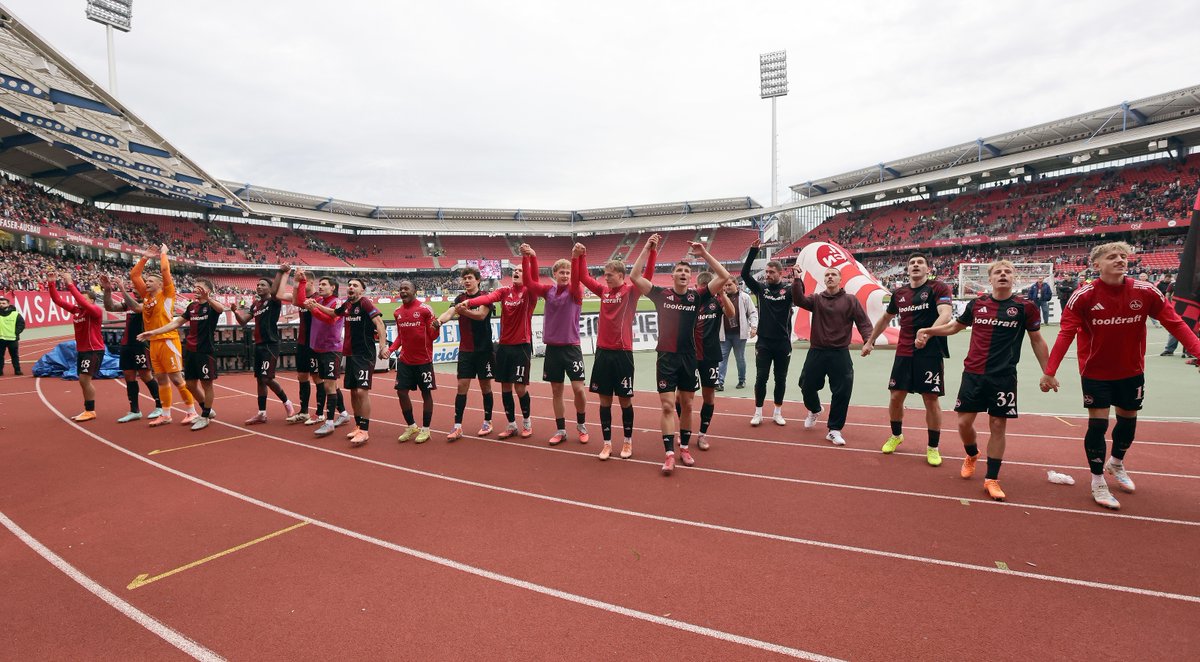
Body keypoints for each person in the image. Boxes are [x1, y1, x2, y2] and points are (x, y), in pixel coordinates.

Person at [1040, 243, 1200, 510]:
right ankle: (1097, 480)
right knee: (1098, 425)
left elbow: (1176, 323)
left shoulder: (1146, 291)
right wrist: (1049, 372)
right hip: (1095, 372)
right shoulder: (1084, 296)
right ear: (1096, 264)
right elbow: (1066, 333)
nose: (1120, 260)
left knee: (1128, 422)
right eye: (1112, 257)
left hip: (1131, 370)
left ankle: (1115, 463)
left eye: (1123, 256)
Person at [917, 260, 1051, 501]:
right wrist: (929, 330)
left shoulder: (1026, 307)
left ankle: (991, 478)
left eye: (1007, 272)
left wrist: (1048, 371)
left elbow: (1037, 340)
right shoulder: (977, 304)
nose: (1002, 275)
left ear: (1014, 278)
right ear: (990, 279)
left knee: (998, 425)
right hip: (973, 374)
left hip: (1004, 376)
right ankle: (971, 453)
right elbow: (954, 327)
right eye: (997, 272)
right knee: (963, 424)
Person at [629, 233, 729, 475]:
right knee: (666, 406)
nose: (683, 274)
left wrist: (704, 253)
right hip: (666, 357)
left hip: (688, 357)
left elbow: (724, 276)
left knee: (687, 404)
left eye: (687, 271)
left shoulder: (697, 297)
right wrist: (647, 247)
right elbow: (634, 277)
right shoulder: (660, 294)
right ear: (672, 275)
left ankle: (684, 447)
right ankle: (669, 454)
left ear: (691, 277)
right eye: (679, 271)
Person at [862, 253, 954, 465]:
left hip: (930, 353)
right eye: (912, 263)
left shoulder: (938, 288)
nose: (915, 265)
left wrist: (928, 333)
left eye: (920, 262)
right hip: (904, 352)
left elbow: (946, 314)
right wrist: (870, 341)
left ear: (928, 269)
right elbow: (886, 319)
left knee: (930, 399)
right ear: (907, 269)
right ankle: (896, 435)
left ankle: (932, 447)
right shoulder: (899, 294)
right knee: (896, 397)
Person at [575, 241, 652, 461]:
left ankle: (627, 441)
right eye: (605, 274)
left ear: (620, 275)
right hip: (602, 353)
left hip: (623, 353)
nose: (605, 278)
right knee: (604, 401)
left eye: (609, 275)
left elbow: (647, 274)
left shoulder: (631, 291)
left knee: (625, 401)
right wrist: (582, 255)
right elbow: (583, 278)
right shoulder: (603, 291)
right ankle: (607, 443)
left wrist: (650, 250)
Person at [793, 267, 873, 446]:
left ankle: (834, 430)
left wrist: (868, 341)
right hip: (817, 351)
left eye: (833, 275)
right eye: (827, 275)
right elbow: (798, 299)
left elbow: (864, 323)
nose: (830, 277)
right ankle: (814, 409)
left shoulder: (850, 300)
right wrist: (798, 279)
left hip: (840, 353)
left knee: (842, 392)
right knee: (806, 386)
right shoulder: (816, 299)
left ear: (840, 279)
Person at [463, 252, 539, 440]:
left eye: (521, 271)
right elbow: (487, 299)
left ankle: (527, 423)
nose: (516, 272)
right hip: (504, 346)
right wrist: (470, 302)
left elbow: (534, 278)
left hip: (522, 346)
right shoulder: (504, 292)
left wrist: (528, 258)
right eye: (514, 270)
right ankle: (511, 424)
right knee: (505, 388)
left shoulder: (530, 293)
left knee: (520, 388)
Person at [305, 277, 387, 447]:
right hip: (349, 354)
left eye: (355, 285)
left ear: (362, 290)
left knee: (362, 391)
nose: (351, 287)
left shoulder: (365, 303)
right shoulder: (347, 305)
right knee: (353, 392)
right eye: (349, 285)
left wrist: (383, 346)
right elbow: (333, 313)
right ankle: (358, 426)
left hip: (364, 354)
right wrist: (316, 306)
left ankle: (365, 430)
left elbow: (379, 323)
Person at [138, 278, 226, 430]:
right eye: (195, 287)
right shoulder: (192, 307)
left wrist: (208, 298)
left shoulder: (211, 307)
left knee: (207, 384)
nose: (196, 289)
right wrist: (153, 332)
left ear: (207, 291)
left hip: (205, 351)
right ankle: (207, 409)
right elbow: (175, 323)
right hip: (191, 351)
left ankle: (205, 416)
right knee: (191, 384)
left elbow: (221, 309)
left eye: (199, 287)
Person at [524, 243, 589, 446]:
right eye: (562, 272)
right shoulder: (548, 291)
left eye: (568, 272)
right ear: (554, 273)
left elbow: (578, 280)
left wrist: (575, 258)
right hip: (553, 349)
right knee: (556, 391)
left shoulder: (575, 291)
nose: (566, 275)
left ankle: (581, 424)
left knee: (579, 389)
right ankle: (561, 429)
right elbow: (529, 282)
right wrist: (531, 257)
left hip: (571, 348)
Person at [131, 244, 199, 427]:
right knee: (161, 379)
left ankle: (192, 411)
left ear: (160, 284)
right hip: (153, 342)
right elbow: (134, 276)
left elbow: (164, 269)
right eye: (147, 281)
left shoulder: (167, 293)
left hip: (168, 340)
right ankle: (166, 414)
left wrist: (163, 254)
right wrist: (144, 257)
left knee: (177, 378)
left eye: (151, 281)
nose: (147, 283)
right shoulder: (146, 296)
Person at [437, 266, 496, 441]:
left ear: (478, 280)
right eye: (465, 279)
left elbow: (481, 315)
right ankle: (457, 426)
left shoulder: (485, 297)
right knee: (462, 386)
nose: (467, 281)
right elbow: (450, 312)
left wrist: (464, 312)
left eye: (470, 278)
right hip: (466, 350)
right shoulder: (459, 298)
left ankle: (487, 421)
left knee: (486, 386)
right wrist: (438, 321)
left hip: (484, 349)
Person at [232, 267, 296, 425]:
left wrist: (280, 273)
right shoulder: (255, 305)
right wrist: (235, 312)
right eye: (258, 285)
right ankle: (262, 413)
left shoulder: (274, 301)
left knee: (267, 378)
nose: (259, 287)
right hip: (259, 345)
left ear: (269, 288)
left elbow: (275, 291)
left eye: (263, 285)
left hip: (271, 344)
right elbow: (243, 322)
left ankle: (287, 403)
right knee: (260, 380)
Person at [741, 239, 793, 426]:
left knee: (780, 379)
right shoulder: (761, 289)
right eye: (767, 272)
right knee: (761, 378)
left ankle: (777, 412)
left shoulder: (789, 290)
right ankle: (758, 412)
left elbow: (803, 296)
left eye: (772, 272)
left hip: (783, 343)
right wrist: (754, 250)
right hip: (763, 342)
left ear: (780, 273)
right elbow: (744, 274)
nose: (768, 275)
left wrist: (799, 279)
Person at [381, 280, 440, 444]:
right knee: (401, 392)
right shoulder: (397, 312)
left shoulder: (425, 309)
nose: (403, 291)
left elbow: (433, 336)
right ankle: (412, 426)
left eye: (406, 288)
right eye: (401, 289)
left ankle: (426, 429)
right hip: (405, 360)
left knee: (426, 393)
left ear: (414, 290)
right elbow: (400, 336)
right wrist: (390, 350)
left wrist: (436, 327)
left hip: (424, 361)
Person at [293, 271, 351, 435]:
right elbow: (301, 301)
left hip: (331, 348)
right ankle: (344, 414)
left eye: (324, 284)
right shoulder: (319, 300)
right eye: (320, 284)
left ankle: (330, 422)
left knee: (329, 385)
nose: (321, 286)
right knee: (330, 384)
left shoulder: (337, 302)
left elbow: (331, 318)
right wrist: (302, 282)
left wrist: (314, 308)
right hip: (317, 348)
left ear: (333, 287)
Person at [100, 275, 164, 422]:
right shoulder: (129, 302)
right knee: (129, 376)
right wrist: (108, 290)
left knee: (145, 375)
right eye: (132, 287)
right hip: (126, 344)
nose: (133, 289)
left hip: (141, 344)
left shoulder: (150, 302)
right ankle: (135, 410)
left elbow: (136, 307)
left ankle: (160, 406)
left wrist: (122, 289)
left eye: (136, 287)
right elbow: (110, 307)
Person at [46, 271, 104, 421]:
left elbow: (82, 301)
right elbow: (57, 300)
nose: (80, 301)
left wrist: (70, 284)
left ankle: (90, 410)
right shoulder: (77, 311)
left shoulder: (95, 311)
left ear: (92, 300)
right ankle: (89, 409)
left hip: (94, 349)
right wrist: (51, 283)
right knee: (83, 380)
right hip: (82, 350)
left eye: (84, 299)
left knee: (84, 379)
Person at [694, 271, 735, 451]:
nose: (703, 290)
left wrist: (722, 293)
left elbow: (731, 314)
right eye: (700, 288)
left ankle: (703, 434)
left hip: (711, 355)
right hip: (690, 356)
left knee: (709, 396)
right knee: (682, 397)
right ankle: (683, 429)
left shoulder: (716, 301)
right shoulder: (691, 301)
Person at [285, 271, 325, 424]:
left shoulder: (318, 298)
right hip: (302, 342)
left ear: (311, 283)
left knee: (317, 377)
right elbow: (292, 299)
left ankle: (320, 412)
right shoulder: (301, 299)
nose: (302, 283)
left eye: (304, 281)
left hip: (314, 343)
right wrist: (295, 282)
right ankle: (303, 412)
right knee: (302, 376)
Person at [717, 279, 757, 391]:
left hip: (739, 335)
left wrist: (754, 327)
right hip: (724, 334)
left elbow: (752, 312)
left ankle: (742, 380)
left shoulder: (744, 297)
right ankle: (720, 382)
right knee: (722, 359)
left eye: (730, 284)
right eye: (725, 285)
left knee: (740, 358)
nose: (727, 287)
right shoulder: (720, 298)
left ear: (736, 284)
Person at [0, 293, 26, 376]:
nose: (1, 305)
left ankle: (17, 370)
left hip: (13, 339)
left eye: (3, 303)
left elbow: (21, 324)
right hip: (1, 339)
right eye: (0, 303)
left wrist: (16, 332)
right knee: (0, 356)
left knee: (14, 356)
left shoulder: (15, 314)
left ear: (8, 304)